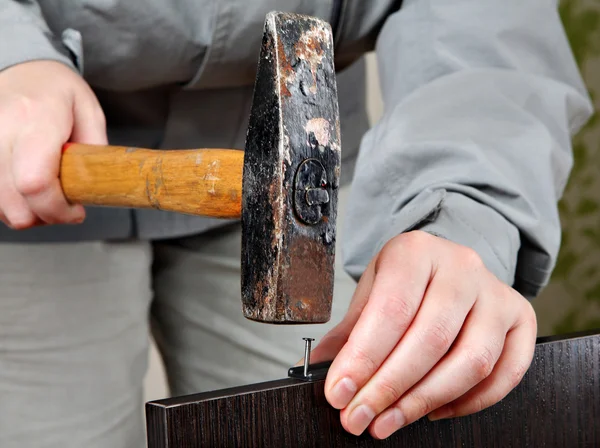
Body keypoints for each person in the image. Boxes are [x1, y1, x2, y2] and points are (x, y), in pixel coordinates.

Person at [0, 0, 593, 446]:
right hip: (28, 151)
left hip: (310, 165)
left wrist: (461, 207)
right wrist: (9, 49)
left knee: (322, 418)